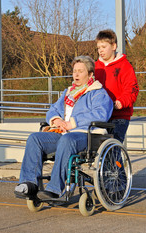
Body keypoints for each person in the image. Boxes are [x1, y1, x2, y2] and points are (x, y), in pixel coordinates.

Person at [14, 56, 114, 200]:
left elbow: (100, 114)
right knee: (34, 138)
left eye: (80, 71)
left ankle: (54, 189)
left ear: (90, 74)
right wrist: (56, 119)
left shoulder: (98, 93)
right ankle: (29, 184)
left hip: (86, 135)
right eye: (74, 71)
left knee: (67, 139)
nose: (76, 74)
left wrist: (72, 123)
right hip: (64, 134)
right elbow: (53, 109)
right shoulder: (68, 93)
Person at [94, 29, 139, 143]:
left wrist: (120, 102)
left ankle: (116, 161)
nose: (100, 51)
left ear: (114, 46)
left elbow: (131, 89)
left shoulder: (124, 66)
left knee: (113, 147)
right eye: (98, 48)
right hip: (100, 114)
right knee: (97, 148)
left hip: (119, 115)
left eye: (103, 47)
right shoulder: (95, 67)